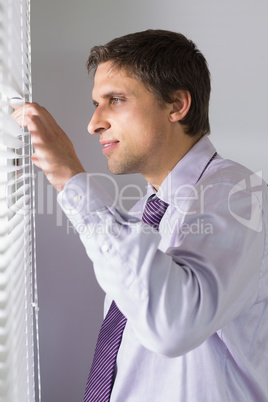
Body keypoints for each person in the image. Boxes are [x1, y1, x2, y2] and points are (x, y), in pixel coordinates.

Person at [12, 29, 268, 401]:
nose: (94, 123)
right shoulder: (140, 219)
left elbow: (172, 326)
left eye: (115, 99)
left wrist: (71, 179)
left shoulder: (240, 196)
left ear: (177, 105)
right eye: (95, 103)